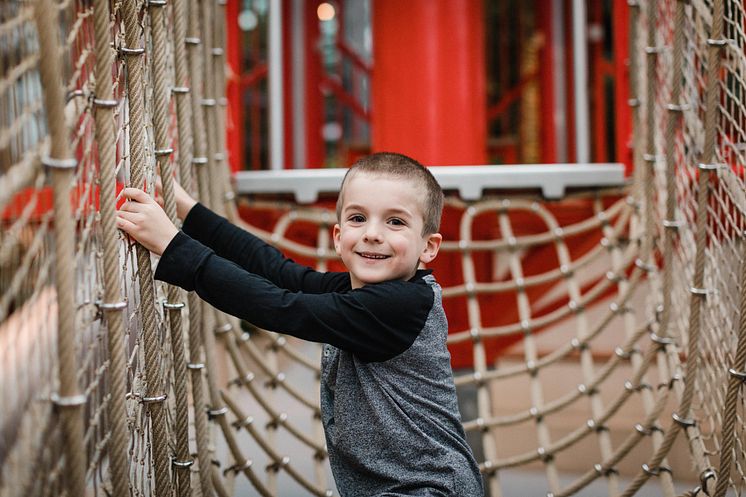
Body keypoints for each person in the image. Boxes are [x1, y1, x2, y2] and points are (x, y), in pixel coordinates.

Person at [116, 152, 484, 497]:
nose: (373, 233)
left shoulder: (399, 305)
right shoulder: (360, 293)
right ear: (339, 237)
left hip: (428, 487)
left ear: (429, 247)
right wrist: (189, 210)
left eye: (396, 222)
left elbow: (280, 308)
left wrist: (173, 244)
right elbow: (276, 271)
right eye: (358, 218)